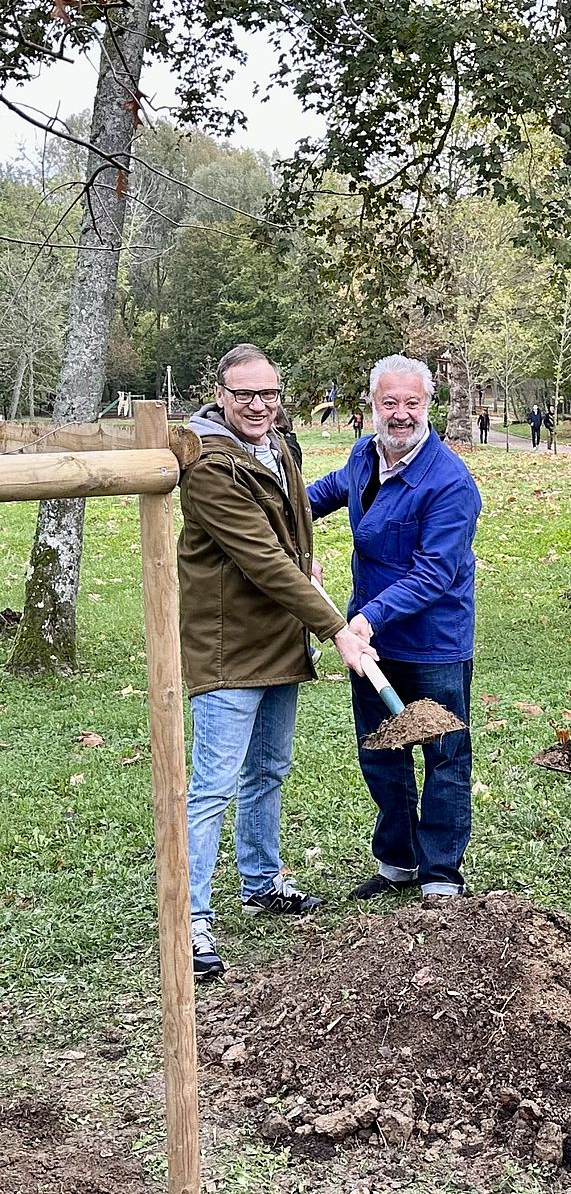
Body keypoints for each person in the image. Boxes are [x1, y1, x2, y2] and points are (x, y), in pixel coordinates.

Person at [179, 344, 373, 982]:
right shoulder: (208, 465)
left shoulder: (281, 445)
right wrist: (337, 628)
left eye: (269, 392)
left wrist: (308, 558)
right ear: (221, 394)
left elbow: (289, 532)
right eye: (244, 394)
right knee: (213, 785)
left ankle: (261, 881)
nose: (258, 405)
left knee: (268, 769)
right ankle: (190, 919)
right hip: (229, 645)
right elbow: (260, 557)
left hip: (280, 636)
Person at [309, 354, 482, 900]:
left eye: (412, 403)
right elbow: (324, 493)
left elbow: (435, 573)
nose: (401, 414)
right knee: (381, 751)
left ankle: (440, 877)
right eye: (390, 403)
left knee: (444, 757)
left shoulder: (450, 482)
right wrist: (284, 521)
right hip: (371, 640)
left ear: (428, 405)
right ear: (373, 405)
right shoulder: (365, 456)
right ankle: (399, 863)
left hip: (433, 645)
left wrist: (365, 619)